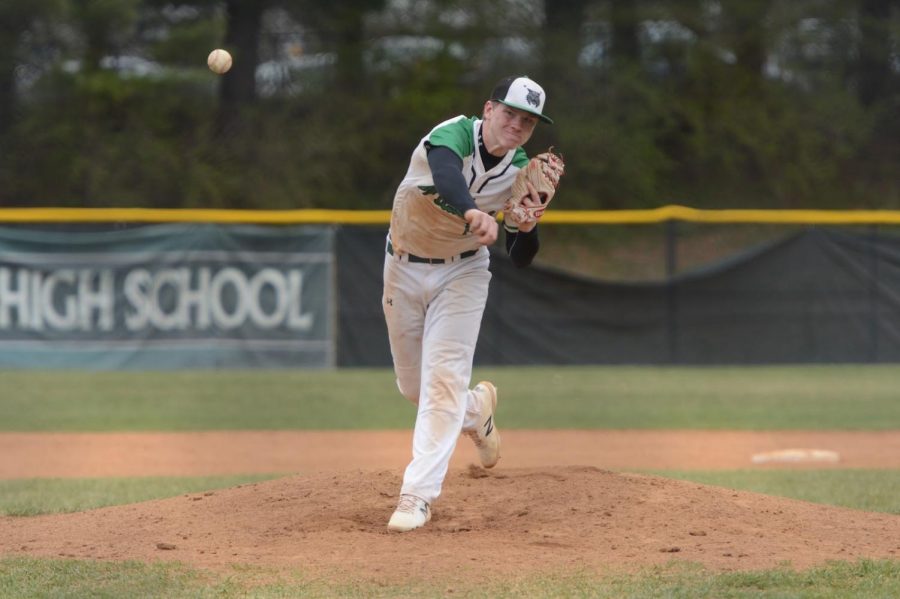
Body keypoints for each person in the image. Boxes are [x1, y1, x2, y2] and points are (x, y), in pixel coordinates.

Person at [382, 75, 555, 532]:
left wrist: (527, 221)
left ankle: (416, 496)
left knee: (440, 383)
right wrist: (473, 210)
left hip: (463, 272)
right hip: (402, 264)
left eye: (528, 122)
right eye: (511, 114)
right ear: (489, 109)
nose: (517, 126)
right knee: (414, 389)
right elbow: (444, 177)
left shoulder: (521, 172)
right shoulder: (452, 134)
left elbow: (521, 258)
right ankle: (476, 410)